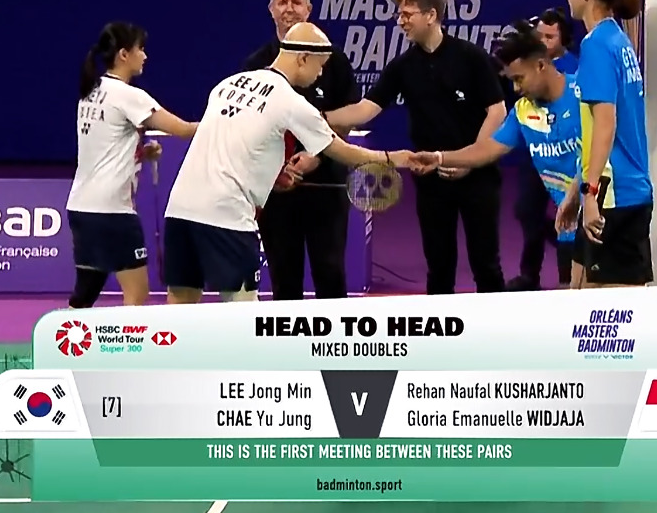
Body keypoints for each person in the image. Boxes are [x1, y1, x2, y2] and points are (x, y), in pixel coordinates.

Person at [162, 23, 418, 304]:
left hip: (180, 211)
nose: (320, 74)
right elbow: (341, 151)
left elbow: (235, 146)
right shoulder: (291, 102)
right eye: (320, 66)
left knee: (179, 307)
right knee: (242, 315)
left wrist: (272, 176)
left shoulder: (225, 86)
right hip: (228, 216)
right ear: (303, 58)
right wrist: (392, 158)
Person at [325, 0, 508, 295]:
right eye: (399, 15)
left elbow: (497, 110)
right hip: (430, 180)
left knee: (486, 264)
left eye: (407, 14)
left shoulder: (472, 57)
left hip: (479, 177)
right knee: (439, 266)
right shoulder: (402, 67)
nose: (401, 21)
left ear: (431, 15)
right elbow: (365, 110)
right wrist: (314, 118)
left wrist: (470, 159)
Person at [414, 21, 580, 287]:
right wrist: (440, 158)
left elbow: (603, 151)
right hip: (569, 230)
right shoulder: (523, 111)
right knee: (573, 299)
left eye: (519, 79)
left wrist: (577, 193)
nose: (515, 89)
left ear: (541, 65)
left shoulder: (583, 94)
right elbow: (487, 149)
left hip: (603, 215)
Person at [66, 21, 198, 309]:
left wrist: (140, 152)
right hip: (112, 212)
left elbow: (103, 146)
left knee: (86, 291)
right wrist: (226, 122)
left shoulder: (91, 91)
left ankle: (60, 338)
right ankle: (127, 342)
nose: (145, 55)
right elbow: (183, 129)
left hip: (81, 207)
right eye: (141, 49)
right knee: (137, 294)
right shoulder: (129, 95)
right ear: (124, 54)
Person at [243, 0, 360, 301]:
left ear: (309, 10)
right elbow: (250, 126)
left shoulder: (334, 60)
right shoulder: (256, 64)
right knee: (284, 277)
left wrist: (316, 155)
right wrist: (280, 168)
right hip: (277, 189)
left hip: (327, 187)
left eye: (296, 3)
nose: (289, 9)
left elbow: (349, 115)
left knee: (330, 272)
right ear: (271, 10)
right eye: (282, 3)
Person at [556, 0, 654, 288]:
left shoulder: (597, 45)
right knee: (578, 292)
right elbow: (594, 133)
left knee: (615, 312)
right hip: (612, 191)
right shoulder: (617, 40)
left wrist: (589, 194)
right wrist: (575, 193)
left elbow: (606, 125)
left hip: (614, 197)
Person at [507, 9, 579, 291]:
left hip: (571, 166)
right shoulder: (524, 70)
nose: (545, 41)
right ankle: (529, 274)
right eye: (541, 36)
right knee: (527, 211)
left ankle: (567, 276)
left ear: (564, 38)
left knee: (570, 223)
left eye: (551, 36)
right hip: (537, 157)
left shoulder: (576, 71)